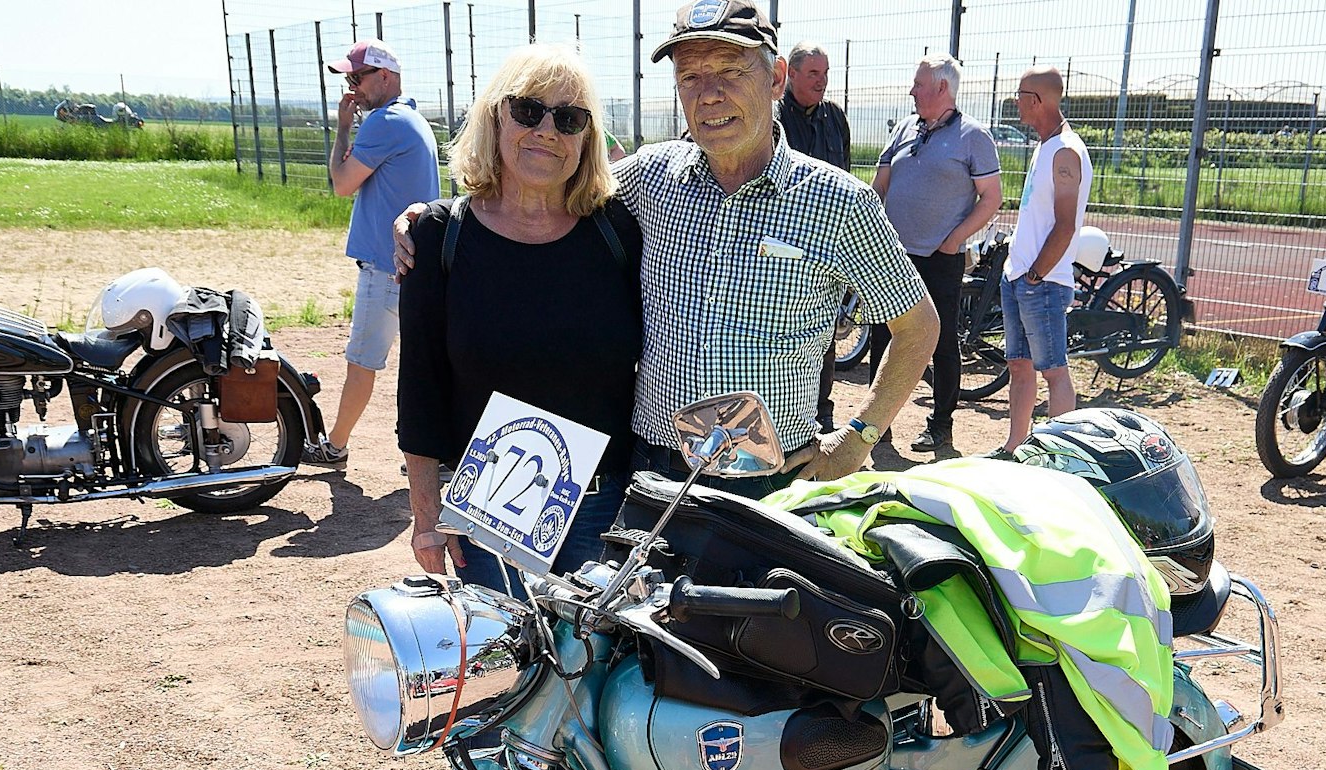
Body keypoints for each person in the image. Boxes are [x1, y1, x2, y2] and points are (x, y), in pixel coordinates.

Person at [396, 1, 936, 500]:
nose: (709, 95)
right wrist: (436, 215)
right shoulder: (651, 179)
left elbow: (919, 327)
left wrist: (860, 435)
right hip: (649, 474)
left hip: (770, 480)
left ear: (775, 79)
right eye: (691, 77)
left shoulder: (839, 201)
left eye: (730, 71)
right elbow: (543, 181)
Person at [398, 45, 642, 589]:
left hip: (607, 508)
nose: (547, 130)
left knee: (597, 667)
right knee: (521, 669)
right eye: (528, 110)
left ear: (587, 137)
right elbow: (420, 390)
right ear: (494, 117)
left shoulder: (619, 231)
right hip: (492, 504)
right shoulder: (439, 236)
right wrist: (425, 519)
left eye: (570, 117)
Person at [307, 39, 441, 468]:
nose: (351, 88)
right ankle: (431, 452)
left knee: (362, 362)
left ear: (385, 76)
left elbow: (342, 183)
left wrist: (343, 127)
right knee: (423, 365)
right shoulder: (410, 118)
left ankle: (336, 446)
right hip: (411, 264)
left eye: (357, 77)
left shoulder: (384, 123)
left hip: (386, 268)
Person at [865, 55, 1002, 454]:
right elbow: (881, 183)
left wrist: (953, 239)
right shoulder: (906, 128)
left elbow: (991, 197)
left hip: (941, 258)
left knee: (940, 343)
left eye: (918, 84)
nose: (912, 90)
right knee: (882, 339)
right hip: (892, 257)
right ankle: (877, 425)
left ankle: (940, 426)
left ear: (942, 88)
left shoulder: (974, 136)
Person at [1001, 65, 1093, 453]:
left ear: (1036, 100)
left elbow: (1065, 225)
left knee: (1055, 371)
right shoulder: (1045, 144)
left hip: (1042, 281)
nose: (1015, 102)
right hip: (1020, 275)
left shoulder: (1065, 151)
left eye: (1020, 94)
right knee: (1019, 367)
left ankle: (1060, 457)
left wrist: (1036, 274)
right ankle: (1015, 447)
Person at [777, 41, 852, 434]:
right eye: (813, 74)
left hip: (824, 244)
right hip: (780, 246)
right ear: (789, 74)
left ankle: (821, 413)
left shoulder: (835, 118)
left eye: (825, 74)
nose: (822, 82)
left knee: (826, 330)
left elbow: (847, 171)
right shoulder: (773, 117)